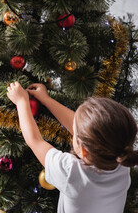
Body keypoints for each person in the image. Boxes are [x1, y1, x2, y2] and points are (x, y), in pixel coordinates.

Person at [7, 81, 138, 213]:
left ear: (83, 151)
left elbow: (35, 141)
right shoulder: (122, 157)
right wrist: (46, 100)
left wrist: (21, 101)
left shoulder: (71, 173)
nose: (74, 130)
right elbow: (83, 128)